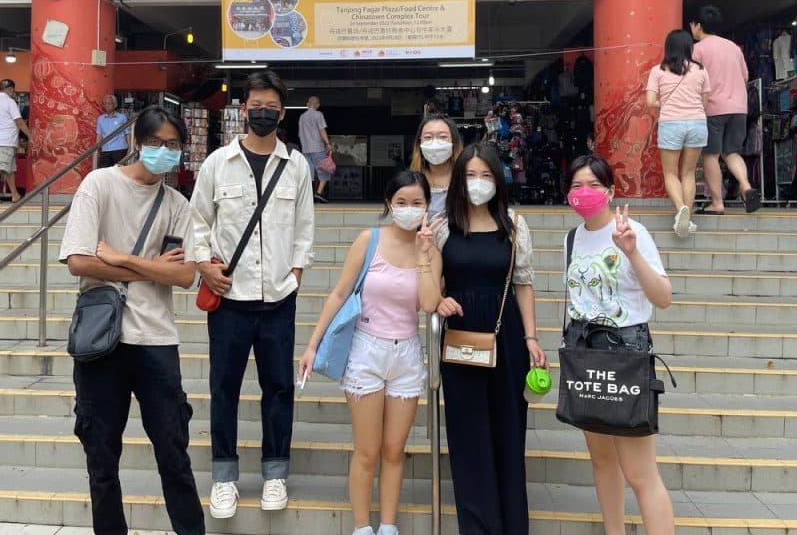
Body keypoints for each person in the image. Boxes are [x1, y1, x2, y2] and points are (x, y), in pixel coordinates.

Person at [58, 106, 205, 535]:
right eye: (155, 142)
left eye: (173, 144)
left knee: (174, 454)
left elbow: (184, 275)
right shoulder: (99, 185)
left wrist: (121, 258)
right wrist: (152, 268)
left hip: (156, 340)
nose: (164, 151)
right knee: (101, 459)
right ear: (137, 142)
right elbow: (79, 261)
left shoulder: (177, 205)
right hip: (101, 342)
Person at [189, 70, 315, 520]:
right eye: (256, 106)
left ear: (282, 114)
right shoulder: (217, 163)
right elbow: (197, 221)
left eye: (271, 108)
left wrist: (295, 273)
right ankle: (223, 478)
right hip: (229, 299)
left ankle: (275, 473)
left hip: (279, 298)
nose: (263, 113)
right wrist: (204, 265)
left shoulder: (296, 165)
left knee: (278, 386)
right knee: (223, 387)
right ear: (244, 109)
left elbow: (304, 227)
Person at [298, 170, 440, 535]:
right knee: (367, 450)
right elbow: (339, 293)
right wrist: (312, 345)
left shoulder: (431, 250)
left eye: (417, 202)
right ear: (389, 203)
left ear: (427, 206)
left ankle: (388, 526)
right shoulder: (369, 240)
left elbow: (428, 304)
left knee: (394, 450)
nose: (409, 208)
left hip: (407, 355)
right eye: (401, 202)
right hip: (366, 350)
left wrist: (425, 255)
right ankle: (362, 527)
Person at [424, 143, 546, 535]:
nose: (478, 183)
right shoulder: (443, 226)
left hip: (505, 333)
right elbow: (431, 288)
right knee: (468, 434)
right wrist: (437, 297)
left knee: (508, 431)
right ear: (459, 180)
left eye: (486, 175)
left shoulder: (514, 225)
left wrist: (530, 337)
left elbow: (524, 284)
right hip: (460, 338)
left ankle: (512, 525)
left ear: (498, 179)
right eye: (470, 175)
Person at [561, 154, 674, 535]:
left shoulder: (632, 231)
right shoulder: (571, 238)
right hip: (585, 353)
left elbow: (663, 297)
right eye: (577, 185)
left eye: (594, 185)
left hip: (625, 354)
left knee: (640, 473)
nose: (585, 192)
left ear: (610, 191)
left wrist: (631, 252)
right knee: (602, 461)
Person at [689, 6, 762, 214]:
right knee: (731, 152)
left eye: (692, 24)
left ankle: (717, 203)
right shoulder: (733, 48)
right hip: (739, 108)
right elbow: (745, 76)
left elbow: (693, 80)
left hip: (713, 108)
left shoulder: (697, 49)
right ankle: (746, 187)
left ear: (698, 25)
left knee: (710, 155)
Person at [646, 29, 711, 237]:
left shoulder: (658, 70)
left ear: (668, 47)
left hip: (671, 124)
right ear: (689, 47)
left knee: (670, 173)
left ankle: (681, 208)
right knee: (689, 172)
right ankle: (687, 217)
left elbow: (650, 102)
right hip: (697, 123)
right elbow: (705, 102)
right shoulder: (700, 70)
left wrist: (665, 102)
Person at [0, 79, 30, 203]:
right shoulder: (10, 102)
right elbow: (19, 121)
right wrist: (31, 136)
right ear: (11, 89)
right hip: (7, 140)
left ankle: (15, 194)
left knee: (9, 168)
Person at [409, 114, 463, 220]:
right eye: (428, 137)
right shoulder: (410, 182)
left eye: (443, 137)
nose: (435, 143)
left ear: (454, 141)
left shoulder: (467, 179)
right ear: (420, 142)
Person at [299, 95, 334, 202]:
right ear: (317, 105)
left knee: (309, 173)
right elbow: (322, 130)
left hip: (305, 149)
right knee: (324, 170)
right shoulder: (318, 115)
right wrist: (328, 143)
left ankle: (308, 195)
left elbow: (300, 134)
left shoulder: (302, 117)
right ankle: (318, 193)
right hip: (317, 148)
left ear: (307, 105)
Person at [96, 94, 130, 168]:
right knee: (105, 172)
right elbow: (99, 135)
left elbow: (127, 133)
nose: (107, 105)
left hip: (120, 149)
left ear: (115, 105)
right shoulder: (100, 119)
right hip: (105, 149)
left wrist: (130, 147)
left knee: (119, 172)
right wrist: (97, 149)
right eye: (105, 104)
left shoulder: (122, 117)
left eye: (109, 103)